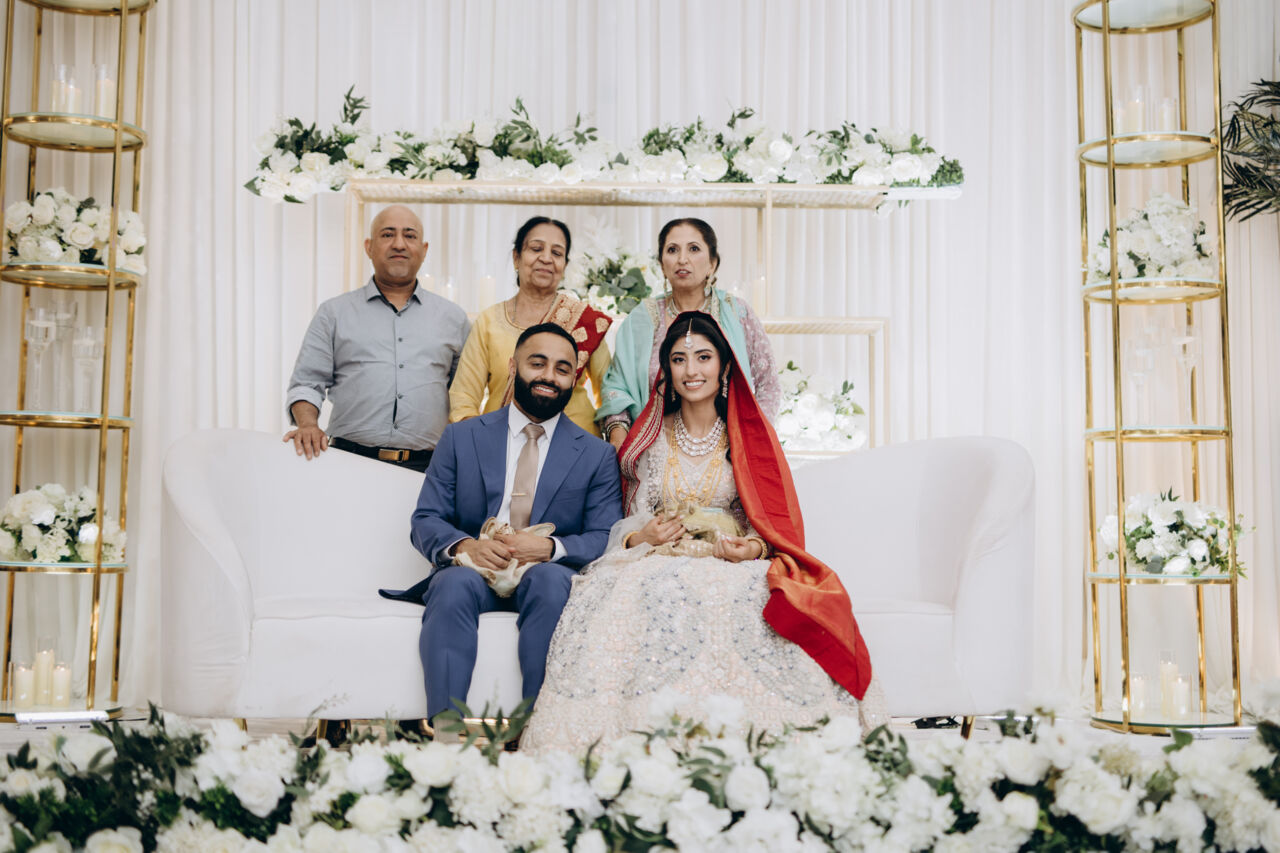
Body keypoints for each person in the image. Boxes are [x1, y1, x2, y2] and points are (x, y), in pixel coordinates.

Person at [521, 312, 887, 753]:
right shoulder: (648, 439)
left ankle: (765, 741)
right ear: (667, 370)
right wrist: (643, 537)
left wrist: (751, 548)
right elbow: (622, 523)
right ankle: (638, 737)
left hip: (729, 563)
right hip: (654, 562)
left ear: (724, 366)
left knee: (749, 599)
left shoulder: (749, 438)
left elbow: (769, 525)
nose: (691, 370)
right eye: (679, 359)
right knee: (640, 596)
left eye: (703, 357)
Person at [385, 323, 623, 731]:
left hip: (543, 575)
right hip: (474, 572)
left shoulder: (596, 455)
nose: (549, 376)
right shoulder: (461, 437)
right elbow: (426, 518)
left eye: (562, 368)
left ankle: (536, 729)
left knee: (551, 581)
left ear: (575, 379)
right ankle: (446, 729)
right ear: (513, 367)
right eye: (537, 363)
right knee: (452, 583)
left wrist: (549, 549)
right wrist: (466, 547)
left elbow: (605, 535)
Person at [284, 204, 469, 473]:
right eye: (387, 234)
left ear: (424, 249)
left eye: (409, 235)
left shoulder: (454, 318)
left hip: (427, 470)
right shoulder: (333, 313)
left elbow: (464, 395)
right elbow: (306, 383)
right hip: (348, 463)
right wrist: (308, 425)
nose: (399, 244)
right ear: (369, 247)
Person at [596, 217, 781, 450]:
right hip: (654, 450)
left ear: (712, 263)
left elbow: (768, 384)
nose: (682, 259)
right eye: (672, 250)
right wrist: (619, 438)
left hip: (729, 451)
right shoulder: (642, 320)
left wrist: (751, 439)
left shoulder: (737, 313)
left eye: (693, 249)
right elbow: (617, 387)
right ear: (662, 265)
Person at [449, 216, 612, 435]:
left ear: (564, 266)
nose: (546, 258)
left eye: (557, 253)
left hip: (575, 446)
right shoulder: (489, 321)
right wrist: (481, 443)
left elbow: (611, 394)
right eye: (536, 249)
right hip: (503, 444)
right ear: (516, 258)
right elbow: (464, 397)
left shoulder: (584, 320)